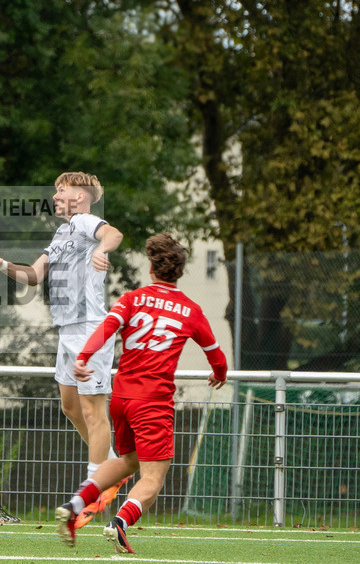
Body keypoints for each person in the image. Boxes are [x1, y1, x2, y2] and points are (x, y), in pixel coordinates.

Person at [55, 233, 227, 554]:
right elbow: (217, 355)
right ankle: (119, 522)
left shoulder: (133, 298)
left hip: (121, 398)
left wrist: (83, 359)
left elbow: (106, 328)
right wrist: (219, 375)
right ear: (179, 271)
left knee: (129, 460)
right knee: (153, 477)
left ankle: (76, 503)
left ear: (151, 267)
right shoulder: (190, 310)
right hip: (153, 401)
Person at [0, 171, 125, 526]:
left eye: (61, 190)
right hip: (67, 330)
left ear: (79, 196)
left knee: (94, 411)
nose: (56, 195)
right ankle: (112, 464)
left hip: (90, 327)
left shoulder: (85, 221)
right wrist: (3, 265)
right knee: (69, 406)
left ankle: (95, 490)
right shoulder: (63, 231)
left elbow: (114, 234)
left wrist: (102, 252)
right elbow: (34, 275)